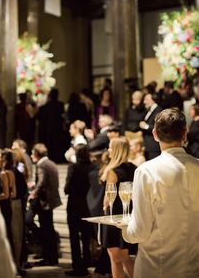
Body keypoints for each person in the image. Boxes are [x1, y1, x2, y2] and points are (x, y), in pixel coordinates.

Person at [121, 108, 199, 278]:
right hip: (193, 267)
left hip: (156, 268)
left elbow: (140, 231)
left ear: (155, 134)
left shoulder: (145, 171)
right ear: (184, 134)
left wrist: (123, 229)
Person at [101, 137, 137, 278]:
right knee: (125, 256)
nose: (108, 150)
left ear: (115, 149)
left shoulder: (112, 171)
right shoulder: (134, 168)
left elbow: (107, 199)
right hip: (128, 215)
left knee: (115, 258)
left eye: (110, 147)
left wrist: (103, 208)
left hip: (113, 217)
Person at [28, 143, 61, 266]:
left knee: (47, 229)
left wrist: (33, 193)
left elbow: (41, 182)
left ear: (37, 154)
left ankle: (49, 257)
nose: (31, 156)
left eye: (32, 153)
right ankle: (51, 256)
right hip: (51, 200)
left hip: (44, 202)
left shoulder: (41, 165)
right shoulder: (51, 163)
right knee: (49, 229)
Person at [65, 145, 95, 276]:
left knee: (74, 236)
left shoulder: (73, 167)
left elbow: (67, 187)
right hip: (88, 204)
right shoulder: (93, 167)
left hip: (74, 203)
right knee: (86, 235)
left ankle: (77, 267)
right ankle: (87, 262)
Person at [139, 93, 161, 160]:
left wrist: (146, 126)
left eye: (146, 100)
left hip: (153, 145)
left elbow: (159, 127)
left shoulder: (158, 110)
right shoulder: (148, 111)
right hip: (148, 144)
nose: (144, 102)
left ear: (153, 100)